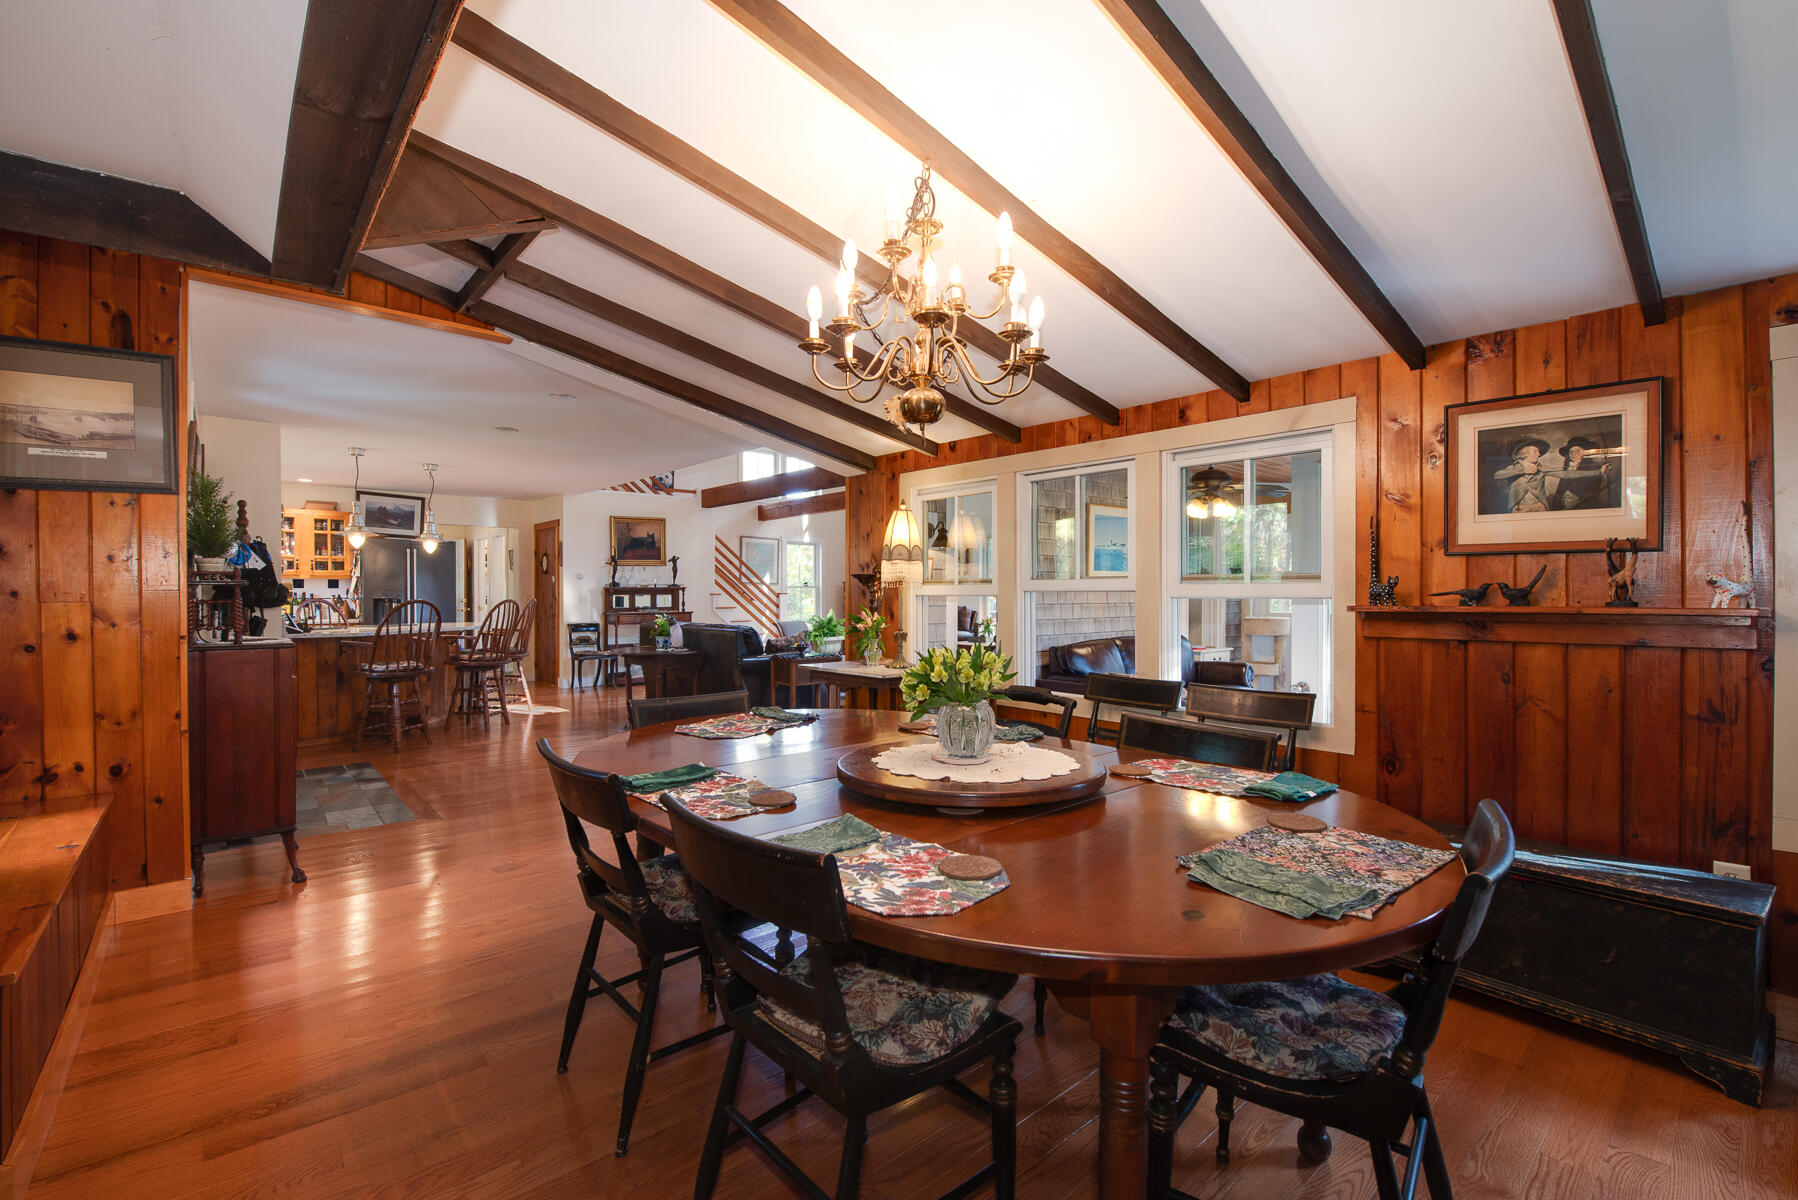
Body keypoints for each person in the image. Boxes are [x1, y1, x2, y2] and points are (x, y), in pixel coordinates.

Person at [1545, 436, 1617, 509]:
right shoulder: (1567, 468)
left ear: (1585, 452)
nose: (1573, 454)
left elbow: (1593, 490)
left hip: (1583, 505)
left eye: (1577, 451)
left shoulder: (1594, 468)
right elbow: (1560, 490)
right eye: (1571, 451)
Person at [1492, 437, 1552, 512]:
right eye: (1535, 451)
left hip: (1540, 507)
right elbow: (1497, 475)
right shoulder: (1515, 468)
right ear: (1524, 453)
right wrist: (1522, 470)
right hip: (1520, 507)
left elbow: (1563, 474)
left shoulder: (1541, 467)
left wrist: (1571, 468)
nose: (1539, 454)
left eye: (1538, 452)